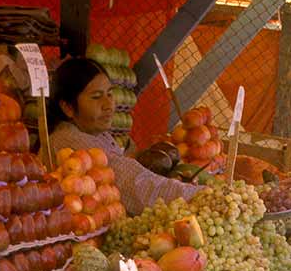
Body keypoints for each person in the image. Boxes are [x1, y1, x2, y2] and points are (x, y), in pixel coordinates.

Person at [47, 57, 199, 215]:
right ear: (68, 107)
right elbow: (133, 184)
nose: (108, 105)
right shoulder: (69, 140)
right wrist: (195, 195)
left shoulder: (96, 133)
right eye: (96, 97)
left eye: (110, 94)